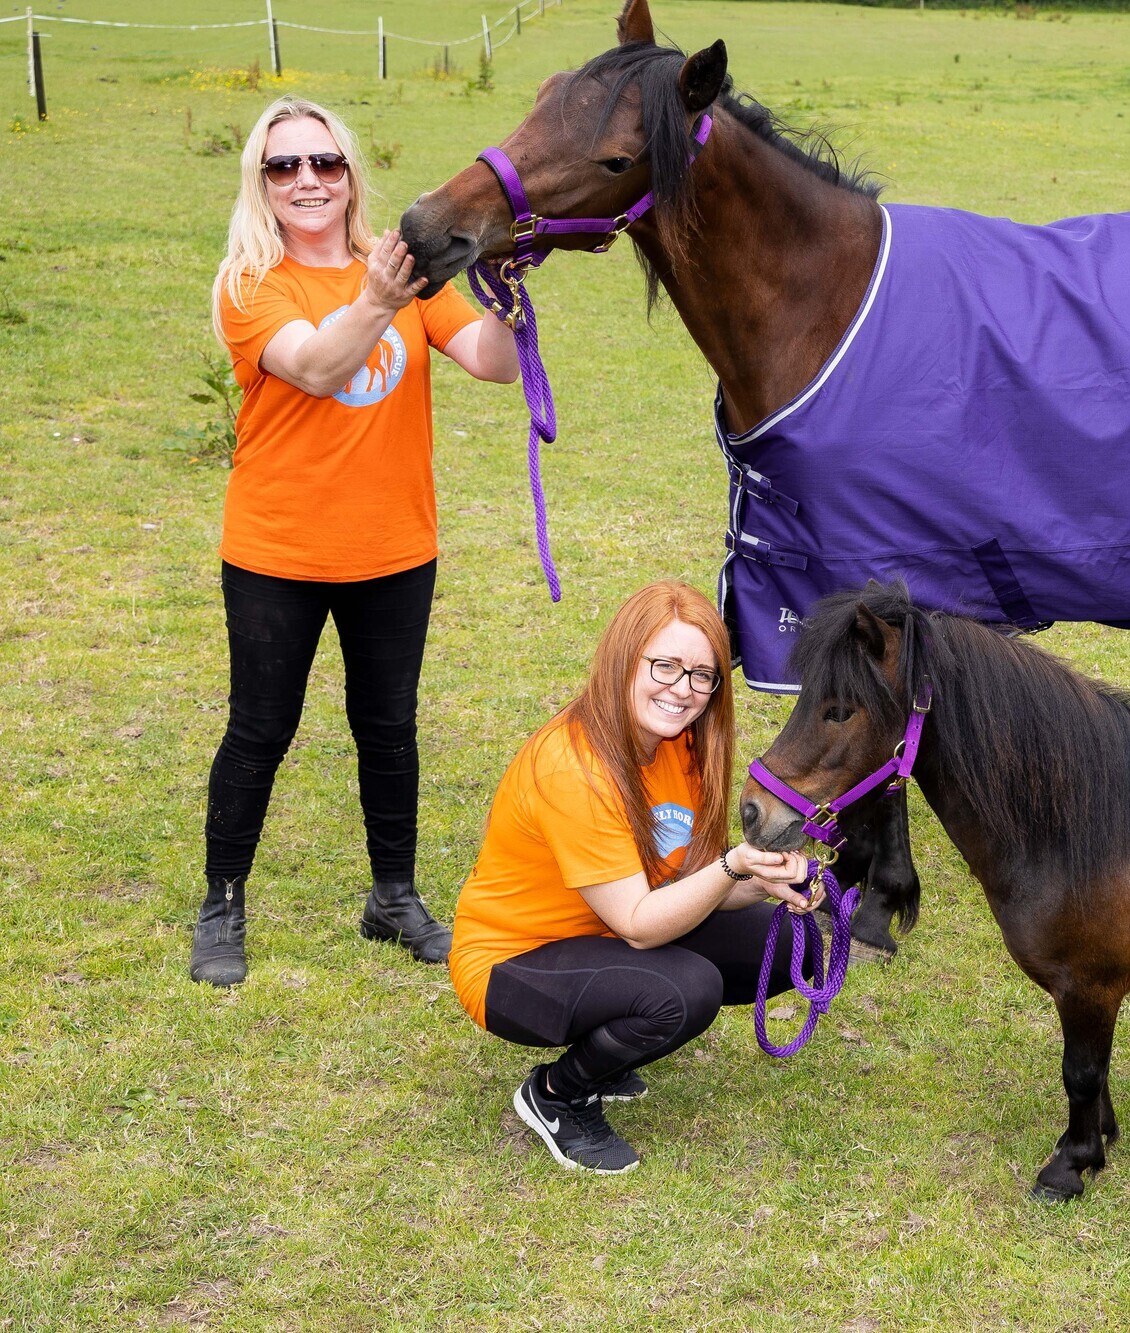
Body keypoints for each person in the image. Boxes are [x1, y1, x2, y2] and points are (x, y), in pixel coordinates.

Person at [194, 98, 520, 987]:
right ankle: (223, 901)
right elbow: (316, 366)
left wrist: (511, 289)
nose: (308, 180)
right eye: (285, 165)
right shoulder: (250, 283)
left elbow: (493, 362)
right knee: (260, 728)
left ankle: (393, 897)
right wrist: (379, 298)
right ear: (261, 182)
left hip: (395, 548)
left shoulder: (402, 268)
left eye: (325, 162)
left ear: (349, 174)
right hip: (277, 553)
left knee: (388, 726)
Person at [448, 580, 822, 1174]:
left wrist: (764, 880)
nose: (683, 689)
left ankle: (610, 1048)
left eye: (702, 675)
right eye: (665, 666)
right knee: (684, 991)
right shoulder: (573, 766)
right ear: (625, 658)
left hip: (607, 930)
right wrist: (734, 864)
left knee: (780, 946)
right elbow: (641, 924)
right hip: (512, 963)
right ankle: (557, 1095)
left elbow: (689, 878)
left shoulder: (682, 746)